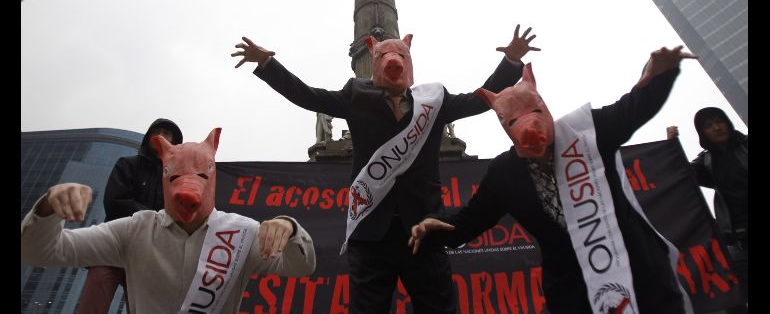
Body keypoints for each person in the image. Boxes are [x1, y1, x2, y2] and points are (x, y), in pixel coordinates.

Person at [231, 24, 539, 314]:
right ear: (374, 58)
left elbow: (481, 99)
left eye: (401, 55)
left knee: (438, 307)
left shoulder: (434, 102)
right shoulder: (355, 96)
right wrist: (267, 64)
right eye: (384, 56)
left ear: (409, 59)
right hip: (371, 234)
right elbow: (307, 96)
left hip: (424, 229)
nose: (394, 63)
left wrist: (511, 61)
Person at [409, 46, 698, 314]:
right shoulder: (505, 174)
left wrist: (662, 74)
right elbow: (469, 222)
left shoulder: (586, 132)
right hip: (574, 292)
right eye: (513, 121)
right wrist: (432, 228)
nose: (529, 127)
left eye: (535, 111)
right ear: (503, 123)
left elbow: (634, 107)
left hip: (641, 274)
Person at [21, 128, 316, 314]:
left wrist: (290, 228)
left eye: (201, 176)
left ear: (212, 177)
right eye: (174, 177)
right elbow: (37, 253)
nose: (187, 188)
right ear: (164, 177)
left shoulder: (243, 233)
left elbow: (301, 267)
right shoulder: (134, 229)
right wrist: (48, 208)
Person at [77, 117, 183, 314]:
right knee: (93, 304)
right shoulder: (127, 164)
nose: (161, 136)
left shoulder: (175, 180)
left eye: (167, 134)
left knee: (146, 309)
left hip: (148, 252)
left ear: (175, 143)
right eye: (157, 131)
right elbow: (115, 202)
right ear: (148, 137)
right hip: (113, 244)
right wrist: (153, 219)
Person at [669, 107, 748, 313]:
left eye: (719, 121)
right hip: (737, 240)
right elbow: (682, 174)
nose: (716, 128)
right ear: (703, 133)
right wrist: (671, 144)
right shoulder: (706, 160)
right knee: (731, 296)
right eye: (709, 126)